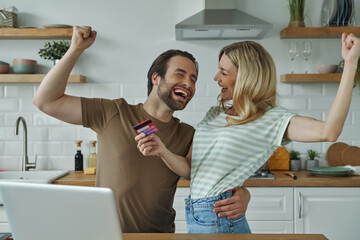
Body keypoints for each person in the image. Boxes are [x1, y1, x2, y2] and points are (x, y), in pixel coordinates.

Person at [32, 26, 251, 233]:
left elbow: (217, 179)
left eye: (193, 79)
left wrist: (244, 194)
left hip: (161, 236)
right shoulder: (113, 112)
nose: (188, 84)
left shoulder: (189, 134)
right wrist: (75, 49)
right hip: (108, 235)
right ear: (156, 78)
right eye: (180, 74)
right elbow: (46, 101)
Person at [135, 33, 360, 233]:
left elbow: (329, 131)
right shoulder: (215, 113)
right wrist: (162, 150)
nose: (215, 78)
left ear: (246, 78)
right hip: (199, 215)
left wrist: (350, 64)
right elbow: (192, 170)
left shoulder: (270, 118)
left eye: (223, 72)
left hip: (220, 218)